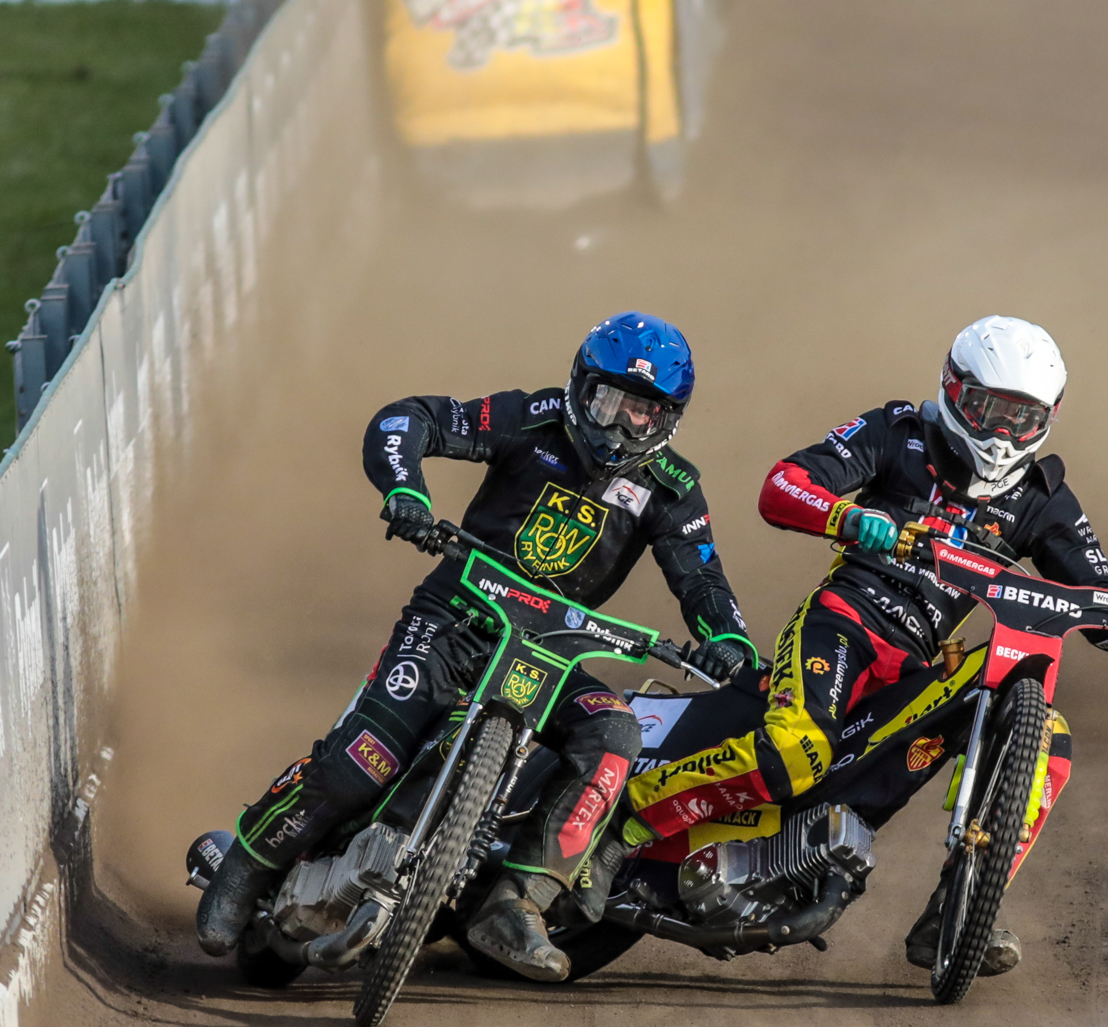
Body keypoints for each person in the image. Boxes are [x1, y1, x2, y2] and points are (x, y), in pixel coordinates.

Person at [599, 315, 1108, 975]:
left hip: (918, 663)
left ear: (1048, 419)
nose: (1002, 433)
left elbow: (1101, 610)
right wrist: (847, 516)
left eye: (1022, 417)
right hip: (842, 622)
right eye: (989, 409)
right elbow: (783, 484)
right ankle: (624, 826)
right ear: (955, 390)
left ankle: (962, 902)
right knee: (794, 751)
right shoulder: (900, 432)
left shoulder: (1044, 500)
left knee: (1050, 742)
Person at [195, 312, 757, 981]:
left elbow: (701, 576)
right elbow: (408, 420)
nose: (621, 425)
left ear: (668, 421)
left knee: (615, 734)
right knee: (363, 761)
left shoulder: (672, 487)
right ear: (582, 387)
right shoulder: (531, 416)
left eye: (645, 413)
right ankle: (250, 859)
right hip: (455, 618)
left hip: (554, 651)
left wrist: (728, 640)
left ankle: (516, 900)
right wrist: (405, 489)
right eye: (610, 402)